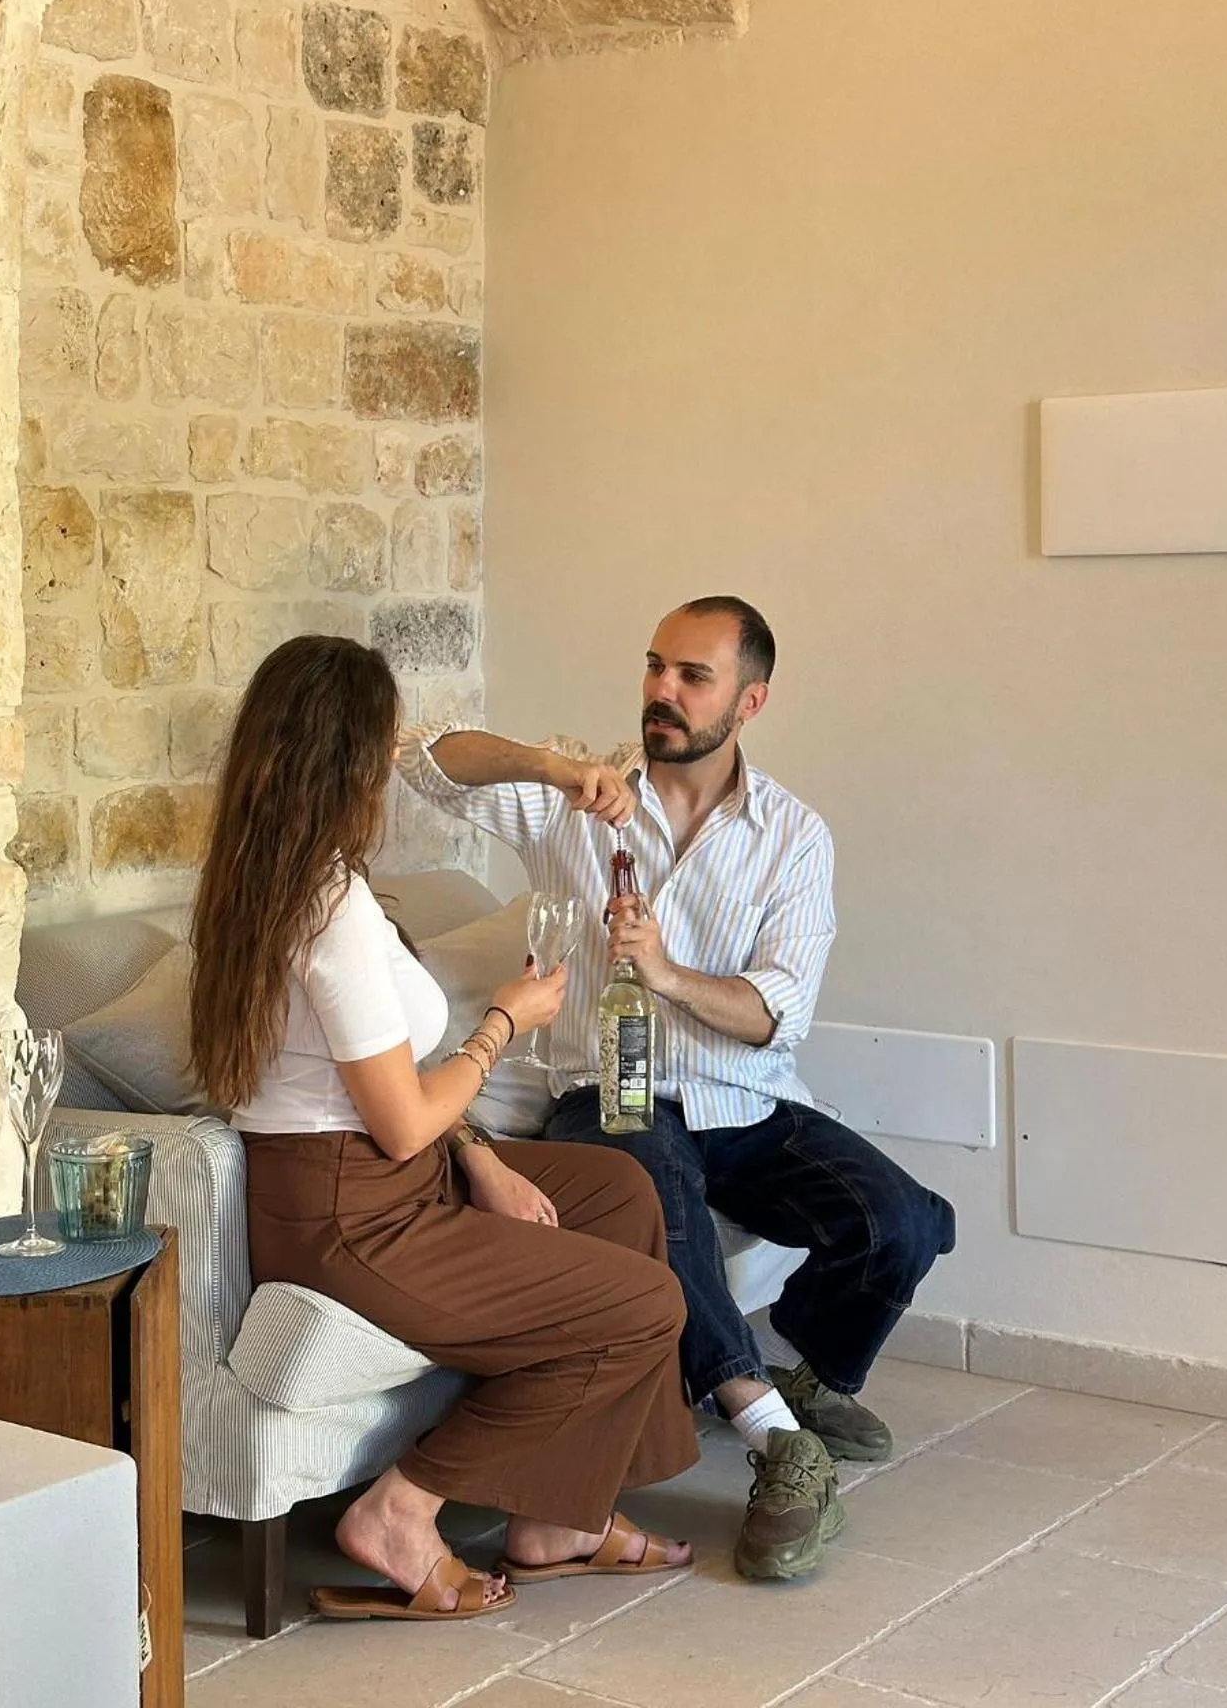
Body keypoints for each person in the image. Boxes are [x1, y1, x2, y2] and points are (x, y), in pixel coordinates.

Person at [398, 595, 957, 1582]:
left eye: (693, 675)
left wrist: (665, 974)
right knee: (659, 1189)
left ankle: (812, 1378)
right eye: (657, 664)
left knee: (903, 1222)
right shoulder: (580, 790)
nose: (662, 688)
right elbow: (426, 757)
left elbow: (774, 1011)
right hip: (607, 1095)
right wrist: (554, 765)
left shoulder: (793, 836)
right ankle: (780, 1446)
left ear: (750, 701)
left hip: (745, 1098)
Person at [189, 634, 700, 1623]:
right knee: (646, 1303)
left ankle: (561, 1516)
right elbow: (399, 1113)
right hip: (354, 1219)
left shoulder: (278, 878)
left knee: (620, 1191)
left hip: (391, 1176)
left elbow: (394, 1085)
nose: (389, 767)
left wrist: (479, 1157)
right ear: (345, 760)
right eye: (379, 748)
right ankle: (401, 1507)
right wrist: (505, 1020)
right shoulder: (324, 911)